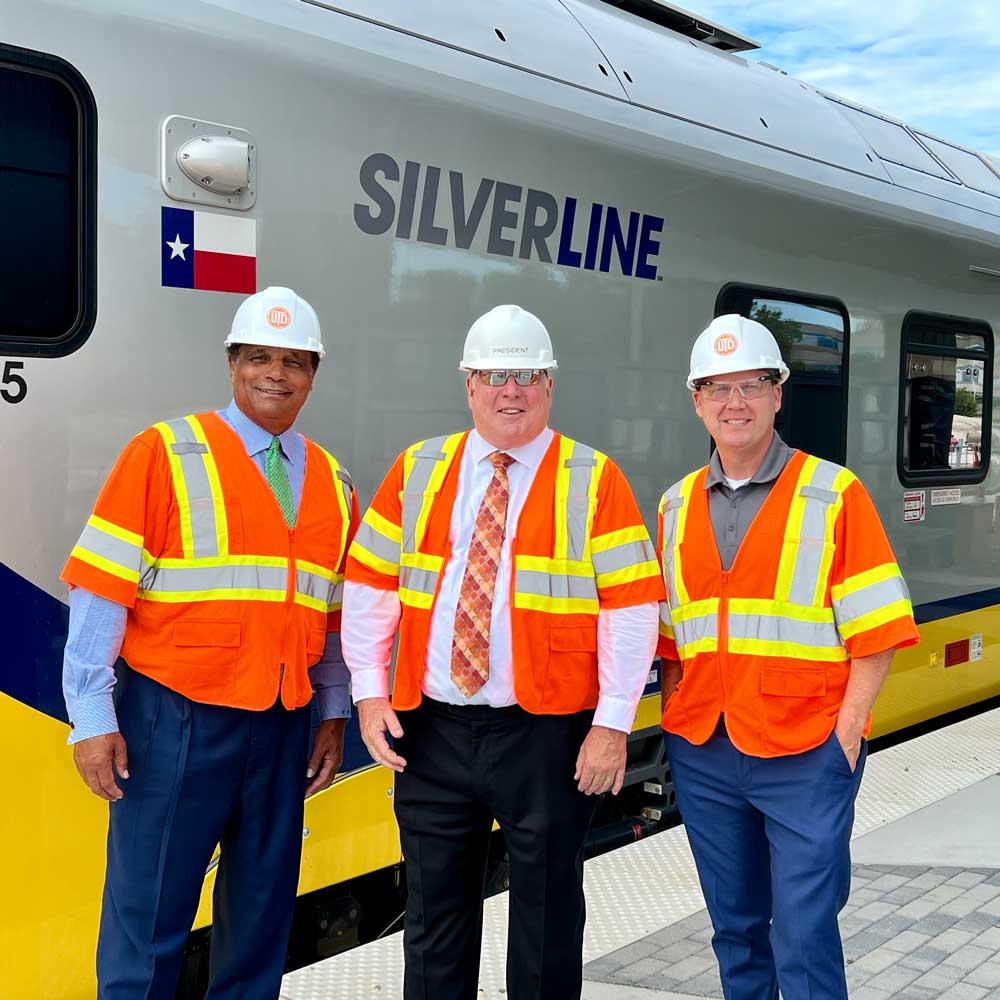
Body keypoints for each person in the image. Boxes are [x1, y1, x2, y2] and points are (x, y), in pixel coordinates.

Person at [341, 304, 664, 1000]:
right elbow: (369, 587)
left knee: (548, 918)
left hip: (546, 734)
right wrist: (369, 693)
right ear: (468, 385)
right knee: (432, 919)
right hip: (432, 731)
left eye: (526, 375)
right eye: (494, 374)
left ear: (550, 386)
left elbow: (632, 611)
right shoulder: (419, 468)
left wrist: (611, 726)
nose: (509, 390)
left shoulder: (595, 478)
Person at [61, 286, 358, 1000]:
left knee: (260, 920)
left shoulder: (334, 481)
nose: (275, 375)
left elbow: (334, 615)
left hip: (284, 725)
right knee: (151, 922)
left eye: (294, 361)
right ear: (230, 364)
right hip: (175, 720)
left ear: (313, 374)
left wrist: (333, 711)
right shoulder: (162, 453)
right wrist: (92, 717)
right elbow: (101, 592)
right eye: (258, 357)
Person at [656, 315, 920, 1000]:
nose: (733, 403)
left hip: (807, 752)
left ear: (779, 393)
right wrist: (679, 710)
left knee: (803, 932)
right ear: (696, 400)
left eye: (751, 385)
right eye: (717, 388)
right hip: (707, 750)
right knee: (735, 930)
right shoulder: (675, 506)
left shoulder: (834, 495)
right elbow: (669, 634)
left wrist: (850, 729)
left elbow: (880, 626)